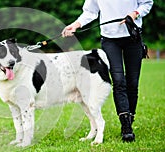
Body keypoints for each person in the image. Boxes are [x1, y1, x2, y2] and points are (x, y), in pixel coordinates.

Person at [61, 0, 153, 142]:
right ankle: (126, 126)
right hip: (110, 40)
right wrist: (76, 25)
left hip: (132, 36)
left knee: (132, 83)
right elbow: (90, 12)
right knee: (118, 81)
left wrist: (135, 13)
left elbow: (147, 3)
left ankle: (130, 117)